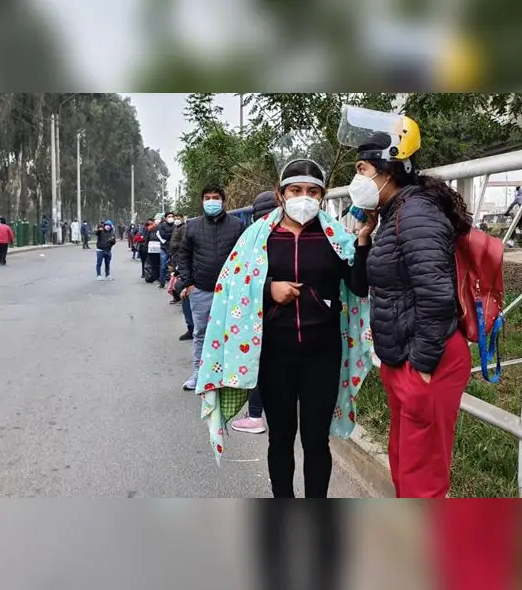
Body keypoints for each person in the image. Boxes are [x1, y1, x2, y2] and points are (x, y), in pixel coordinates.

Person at [195, 162, 372, 498]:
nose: (304, 198)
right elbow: (232, 285)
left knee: (316, 441)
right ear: (280, 194)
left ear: (322, 196)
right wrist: (268, 289)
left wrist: (363, 240)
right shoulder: (257, 238)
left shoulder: (336, 238)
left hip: (323, 355)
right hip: (274, 355)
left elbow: (359, 287)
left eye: (313, 191)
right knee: (280, 439)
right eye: (296, 190)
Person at [340, 107, 474, 498]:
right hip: (403, 357)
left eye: (362, 169)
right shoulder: (392, 215)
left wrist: (423, 366)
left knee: (422, 476)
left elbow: (436, 293)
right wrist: (363, 239)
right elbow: (361, 287)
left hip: (427, 359)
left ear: (389, 170)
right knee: (404, 464)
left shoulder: (416, 213)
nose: (357, 179)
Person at [177, 185, 244, 391]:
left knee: (230, 332)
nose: (211, 201)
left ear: (223, 201)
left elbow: (244, 256)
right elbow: (183, 256)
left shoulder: (237, 225)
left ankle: (228, 374)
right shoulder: (192, 226)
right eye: (207, 198)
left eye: (215, 197)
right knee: (201, 333)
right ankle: (200, 373)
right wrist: (188, 283)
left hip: (230, 292)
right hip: (201, 289)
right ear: (202, 201)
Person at [229, 189, 277, 435]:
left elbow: (240, 280)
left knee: (257, 364)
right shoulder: (293, 235)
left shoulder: (251, 238)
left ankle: (256, 415)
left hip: (259, 315)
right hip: (293, 318)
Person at [157, 211, 175, 289]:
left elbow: (177, 236)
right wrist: (172, 235)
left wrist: (170, 235)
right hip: (164, 248)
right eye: (169, 216)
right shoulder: (162, 226)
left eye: (172, 216)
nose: (171, 218)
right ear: (165, 218)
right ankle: (162, 283)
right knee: (163, 266)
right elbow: (163, 236)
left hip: (174, 249)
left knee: (174, 267)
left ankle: (173, 284)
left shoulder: (175, 226)